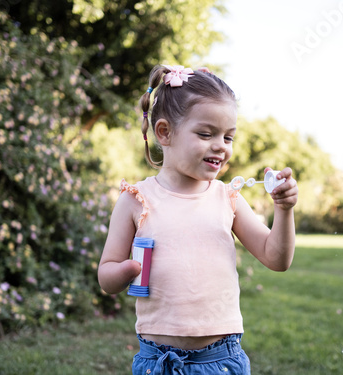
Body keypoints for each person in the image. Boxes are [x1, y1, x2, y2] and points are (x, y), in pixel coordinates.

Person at [98, 65, 298, 374]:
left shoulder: (228, 198)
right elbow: (106, 276)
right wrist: (126, 269)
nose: (221, 145)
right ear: (164, 132)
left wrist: (284, 211)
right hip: (157, 361)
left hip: (220, 360)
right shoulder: (135, 200)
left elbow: (276, 258)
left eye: (228, 137)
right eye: (206, 134)